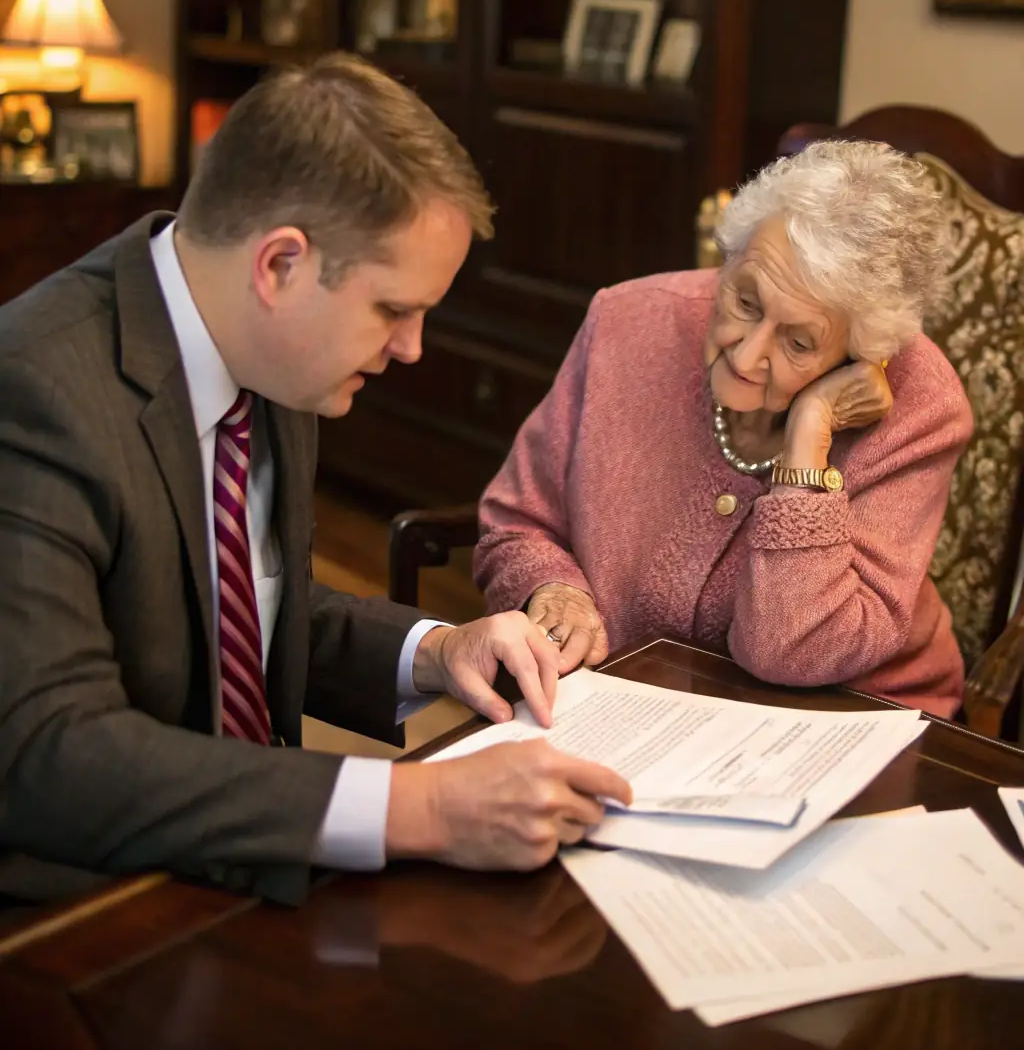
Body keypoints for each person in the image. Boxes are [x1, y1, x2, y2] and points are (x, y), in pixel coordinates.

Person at [0, 52, 629, 909]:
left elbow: (241, 612)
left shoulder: (274, 353)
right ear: (280, 265)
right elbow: (52, 756)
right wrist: (421, 805)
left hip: (246, 869)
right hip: (80, 913)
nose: (410, 347)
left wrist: (438, 651)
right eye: (392, 309)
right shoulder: (34, 392)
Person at [476, 141, 972, 717]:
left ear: (858, 356)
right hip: (629, 707)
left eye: (798, 341)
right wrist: (553, 589)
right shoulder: (626, 322)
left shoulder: (920, 406)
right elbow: (514, 523)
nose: (748, 352)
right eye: (745, 300)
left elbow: (793, 650)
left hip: (851, 717)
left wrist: (808, 441)